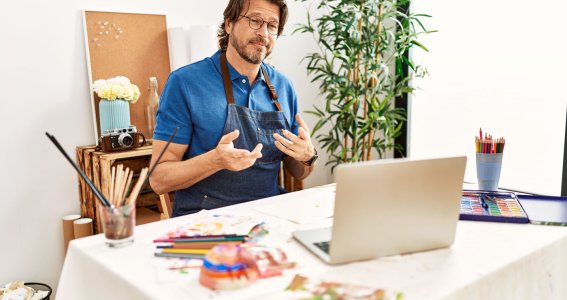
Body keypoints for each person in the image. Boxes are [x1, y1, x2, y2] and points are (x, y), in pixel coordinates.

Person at [149, 0, 317, 217]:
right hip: (204, 222)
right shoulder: (185, 83)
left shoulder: (283, 86)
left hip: (269, 219)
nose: (264, 33)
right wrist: (214, 161)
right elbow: (158, 179)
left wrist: (308, 156)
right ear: (229, 23)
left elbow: (299, 172)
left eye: (272, 26)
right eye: (255, 21)